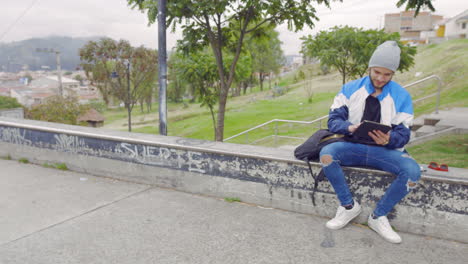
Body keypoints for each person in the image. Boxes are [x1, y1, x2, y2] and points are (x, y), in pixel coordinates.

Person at [319, 41, 421, 244]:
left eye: (387, 74)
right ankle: (348, 207)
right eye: (377, 72)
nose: (381, 78)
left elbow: (404, 134)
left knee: (413, 172)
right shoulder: (349, 89)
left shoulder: (402, 96)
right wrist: (349, 127)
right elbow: (333, 121)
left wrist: (390, 139)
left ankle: (378, 217)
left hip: (384, 151)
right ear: (369, 68)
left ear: (393, 74)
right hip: (353, 146)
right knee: (327, 153)